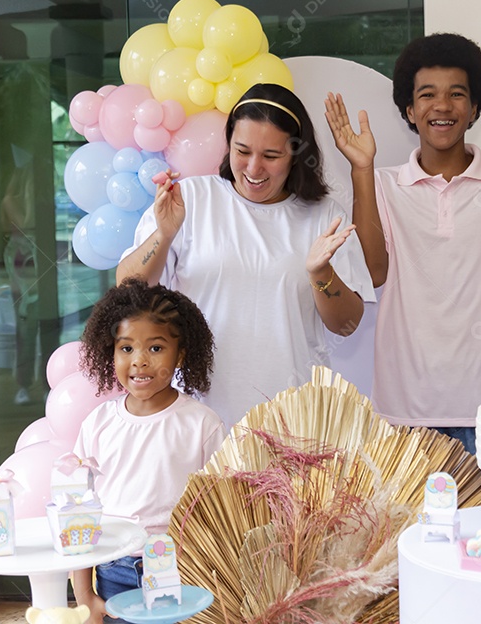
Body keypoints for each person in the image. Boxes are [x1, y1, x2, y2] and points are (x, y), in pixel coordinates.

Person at [325, 33, 481, 488]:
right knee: (412, 554)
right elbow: (375, 273)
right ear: (410, 111)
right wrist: (360, 171)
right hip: (406, 414)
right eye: (427, 94)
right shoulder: (383, 184)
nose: (444, 105)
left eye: (458, 93)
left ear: (475, 108)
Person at [117, 83, 374, 427]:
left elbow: (347, 324)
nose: (254, 169)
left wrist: (321, 275)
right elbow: (128, 288)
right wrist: (164, 235)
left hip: (294, 419)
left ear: (296, 155)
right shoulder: (191, 199)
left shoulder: (325, 215)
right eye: (242, 151)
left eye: (271, 156)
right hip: (197, 419)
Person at [70, 277, 225, 624]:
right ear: (109, 351)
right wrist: (84, 596)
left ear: (181, 354)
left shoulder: (203, 424)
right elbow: (77, 515)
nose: (139, 361)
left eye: (155, 348)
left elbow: (218, 511)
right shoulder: (97, 424)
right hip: (114, 572)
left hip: (182, 570)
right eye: (126, 349)